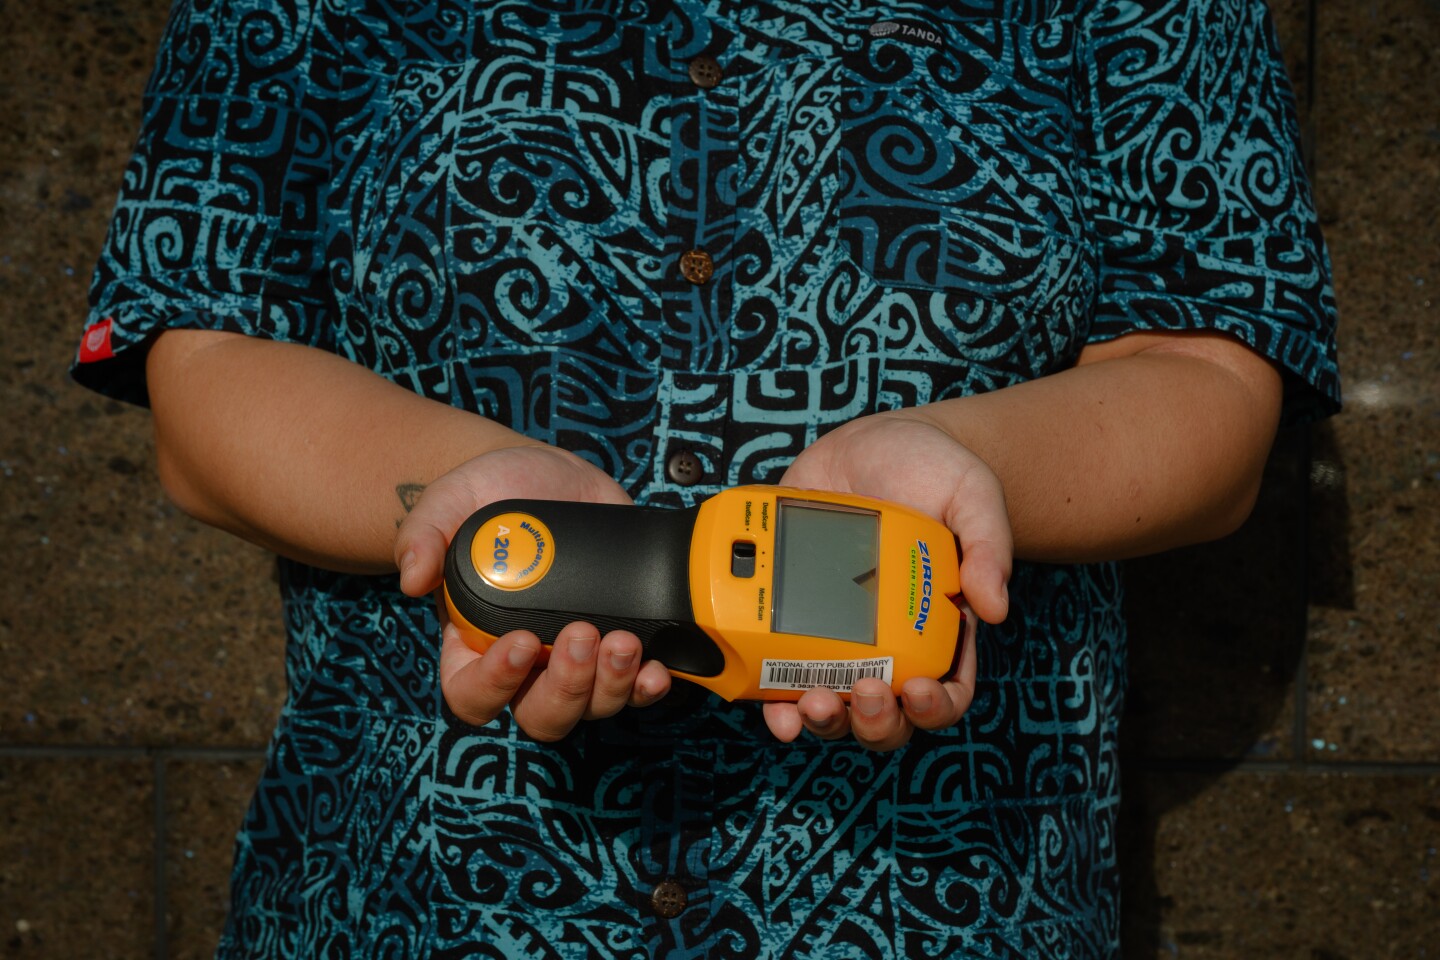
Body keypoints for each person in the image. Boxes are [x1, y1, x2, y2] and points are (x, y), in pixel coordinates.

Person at [73, 0, 1338, 956]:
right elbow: (207, 362)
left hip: (945, 900)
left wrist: (972, 471)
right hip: (421, 899)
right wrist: (462, 488)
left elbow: (1211, 377)